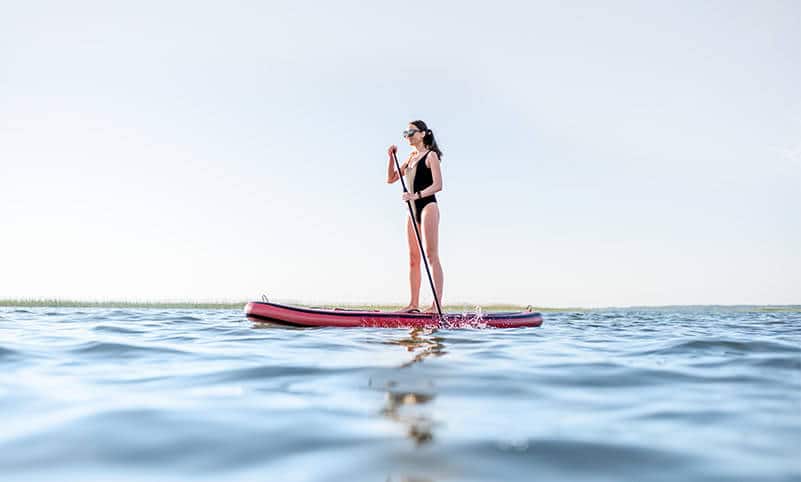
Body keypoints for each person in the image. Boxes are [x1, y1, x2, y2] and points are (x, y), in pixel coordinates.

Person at [386, 120, 444, 313]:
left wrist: (416, 195)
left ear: (423, 134)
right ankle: (413, 304)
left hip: (427, 206)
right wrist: (390, 157)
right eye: (406, 133)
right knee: (413, 258)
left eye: (411, 132)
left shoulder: (431, 156)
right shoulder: (410, 157)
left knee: (431, 255)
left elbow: (438, 185)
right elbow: (391, 179)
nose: (408, 136)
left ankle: (436, 306)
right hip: (412, 210)